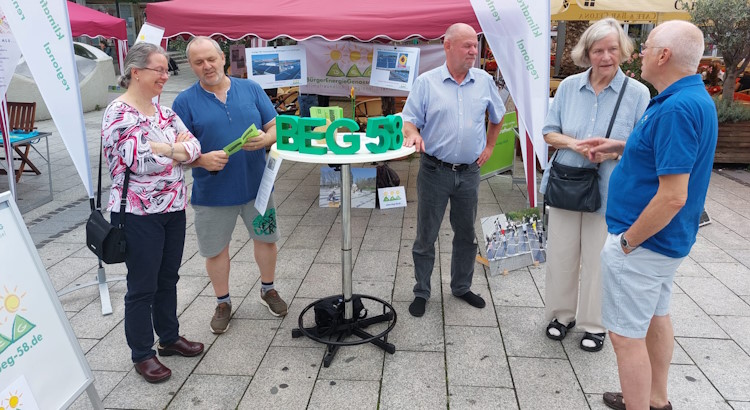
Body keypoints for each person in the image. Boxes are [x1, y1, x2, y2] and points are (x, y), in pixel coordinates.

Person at [579, 20, 718, 410]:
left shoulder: (676, 107)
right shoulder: (689, 97)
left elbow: (673, 195)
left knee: (624, 337)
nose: (638, 53)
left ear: (664, 55)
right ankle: (656, 400)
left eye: (647, 46)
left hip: (643, 244)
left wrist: (627, 242)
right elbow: (668, 158)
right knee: (657, 316)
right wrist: (621, 147)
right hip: (663, 244)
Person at [540, 18, 651, 352]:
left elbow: (645, 146)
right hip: (565, 185)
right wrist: (575, 145)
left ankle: (594, 324)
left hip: (609, 190)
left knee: (599, 259)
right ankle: (561, 315)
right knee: (560, 255)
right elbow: (548, 131)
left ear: (623, 51)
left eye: (612, 49)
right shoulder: (569, 86)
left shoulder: (638, 93)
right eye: (598, 50)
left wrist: (612, 150)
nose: (606, 56)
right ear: (586, 53)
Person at [101, 42, 204, 383]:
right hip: (136, 213)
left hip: (173, 207)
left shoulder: (163, 111)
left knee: (168, 277)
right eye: (159, 69)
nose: (165, 75)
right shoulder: (119, 114)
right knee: (142, 285)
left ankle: (170, 337)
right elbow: (142, 162)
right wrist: (175, 150)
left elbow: (194, 147)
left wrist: (167, 148)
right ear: (136, 72)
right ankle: (142, 353)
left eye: (166, 70)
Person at [172, 36, 287, 335]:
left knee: (266, 240)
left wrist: (267, 139)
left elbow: (275, 125)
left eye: (211, 59)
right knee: (215, 251)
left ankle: (268, 289)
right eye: (198, 62)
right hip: (212, 193)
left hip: (256, 187)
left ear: (222, 57)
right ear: (192, 66)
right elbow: (177, 152)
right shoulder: (184, 102)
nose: (206, 66)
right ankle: (222, 301)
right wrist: (200, 161)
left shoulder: (251, 89)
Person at [402, 23, 505, 317]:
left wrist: (489, 146)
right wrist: (413, 134)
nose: (474, 51)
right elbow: (408, 120)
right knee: (426, 234)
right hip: (435, 171)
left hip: (470, 173)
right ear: (447, 46)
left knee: (466, 233)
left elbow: (498, 116)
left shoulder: (484, 81)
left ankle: (461, 287)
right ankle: (422, 291)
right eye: (467, 46)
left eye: (475, 45)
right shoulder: (427, 82)